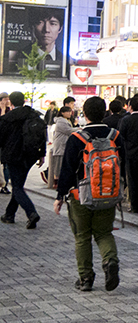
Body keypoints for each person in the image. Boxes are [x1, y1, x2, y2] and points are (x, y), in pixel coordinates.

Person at [53, 96, 121, 292]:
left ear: (85, 114)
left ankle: (86, 279)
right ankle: (110, 261)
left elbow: (67, 169)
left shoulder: (77, 138)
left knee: (82, 236)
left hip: (80, 195)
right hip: (107, 193)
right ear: (104, 112)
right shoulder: (115, 136)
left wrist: (59, 196)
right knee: (103, 232)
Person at [0, 91, 44, 228]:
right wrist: (42, 154)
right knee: (19, 184)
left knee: (17, 187)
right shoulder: (34, 115)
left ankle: (31, 213)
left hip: (13, 155)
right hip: (30, 155)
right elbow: (43, 134)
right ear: (24, 100)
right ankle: (9, 214)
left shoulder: (8, 118)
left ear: (11, 102)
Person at [47, 106, 76, 190]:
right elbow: (68, 131)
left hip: (63, 145)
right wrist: (79, 129)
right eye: (68, 112)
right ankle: (56, 182)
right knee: (58, 164)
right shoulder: (61, 121)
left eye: (70, 111)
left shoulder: (66, 120)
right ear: (62, 113)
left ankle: (59, 182)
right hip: (60, 146)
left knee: (61, 164)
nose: (70, 113)